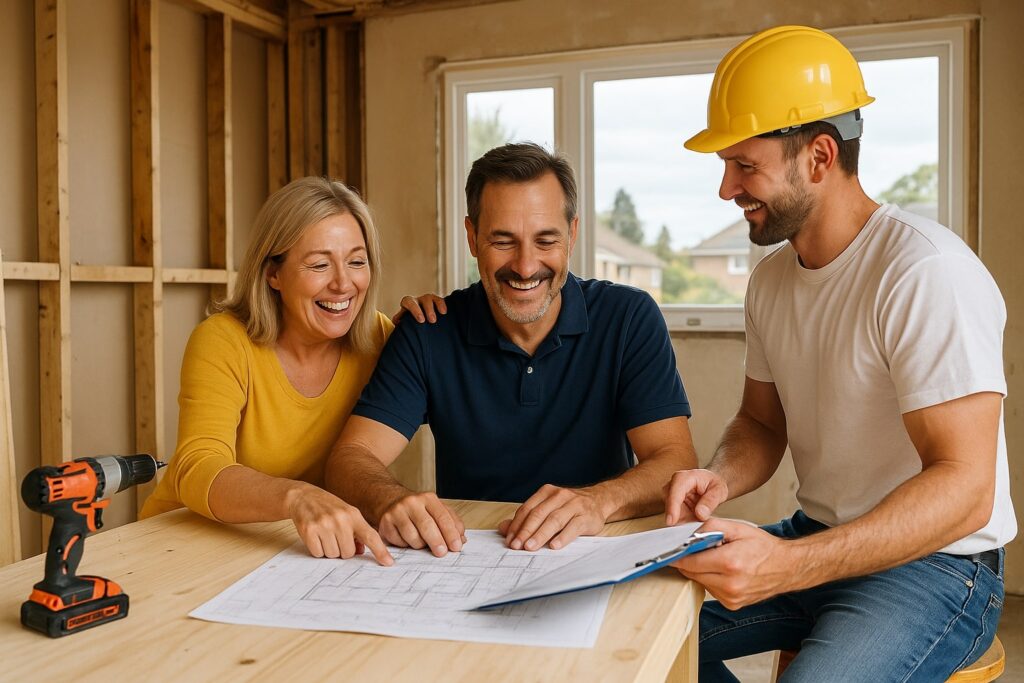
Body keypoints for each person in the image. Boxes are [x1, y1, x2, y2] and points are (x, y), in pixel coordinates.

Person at [663, 25, 1015, 681]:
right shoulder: (771, 279)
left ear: (819, 157)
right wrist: (722, 476)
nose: (725, 188)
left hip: (939, 567)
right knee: (628, 633)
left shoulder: (924, 272)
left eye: (744, 165)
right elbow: (762, 424)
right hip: (817, 534)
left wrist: (785, 564)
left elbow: (967, 491)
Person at [325, 142, 698, 558]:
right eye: (503, 241)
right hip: (467, 559)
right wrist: (387, 499)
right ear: (472, 237)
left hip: (596, 552)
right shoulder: (428, 331)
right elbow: (350, 458)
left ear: (572, 235)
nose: (524, 266)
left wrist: (599, 500)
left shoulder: (628, 317)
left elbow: (674, 461)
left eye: (545, 240)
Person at [141, 177, 393, 566]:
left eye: (357, 261)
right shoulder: (224, 340)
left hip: (282, 551)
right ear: (273, 273)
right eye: (319, 264)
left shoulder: (379, 337)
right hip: (182, 544)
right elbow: (196, 466)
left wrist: (433, 326)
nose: (344, 283)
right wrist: (297, 496)